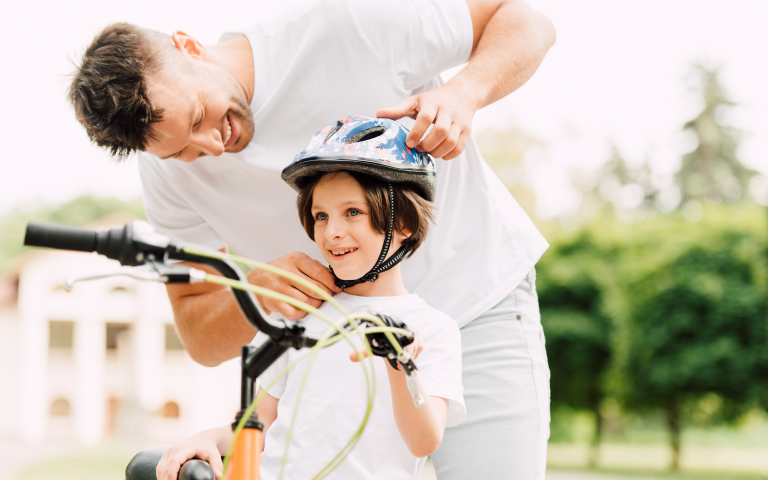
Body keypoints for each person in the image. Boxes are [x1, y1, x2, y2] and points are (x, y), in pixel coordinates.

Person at [69, 1, 555, 478]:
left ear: (189, 46)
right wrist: (256, 291)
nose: (212, 147)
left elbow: (524, 19)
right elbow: (199, 331)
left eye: (199, 116)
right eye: (182, 151)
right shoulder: (164, 177)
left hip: (477, 301)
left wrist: (465, 92)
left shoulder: (348, 25)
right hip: (333, 338)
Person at [153, 116, 465, 480]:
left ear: (404, 224)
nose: (332, 232)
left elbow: (424, 443)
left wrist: (401, 366)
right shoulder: (297, 310)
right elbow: (261, 422)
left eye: (352, 212)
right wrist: (211, 438)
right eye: (320, 215)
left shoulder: (433, 329)